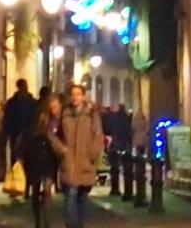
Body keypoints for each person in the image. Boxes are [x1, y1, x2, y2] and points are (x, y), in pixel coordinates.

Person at [49, 84, 104, 228]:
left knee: (82, 199)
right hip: (69, 163)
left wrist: (92, 153)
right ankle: (72, 225)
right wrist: (61, 149)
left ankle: (79, 225)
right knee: (70, 196)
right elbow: (52, 134)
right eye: (73, 94)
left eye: (78, 94)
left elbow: (98, 135)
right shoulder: (64, 114)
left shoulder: (91, 114)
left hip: (85, 163)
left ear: (83, 96)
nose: (75, 97)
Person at [20, 93, 63, 228]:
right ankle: (38, 221)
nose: (55, 110)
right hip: (35, 158)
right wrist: (22, 154)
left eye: (56, 107)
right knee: (35, 191)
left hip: (49, 159)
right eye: (52, 107)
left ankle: (46, 222)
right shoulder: (37, 121)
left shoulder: (58, 121)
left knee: (47, 191)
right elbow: (27, 137)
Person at [3, 78, 38, 163]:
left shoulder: (12, 102)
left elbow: (7, 120)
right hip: (25, 135)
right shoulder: (32, 102)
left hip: (19, 136)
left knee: (17, 161)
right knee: (24, 161)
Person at [105, 103, 132, 195]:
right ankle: (127, 191)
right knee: (126, 170)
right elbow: (129, 131)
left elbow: (107, 129)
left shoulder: (110, 117)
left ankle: (116, 189)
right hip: (123, 145)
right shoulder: (125, 117)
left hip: (115, 145)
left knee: (115, 169)